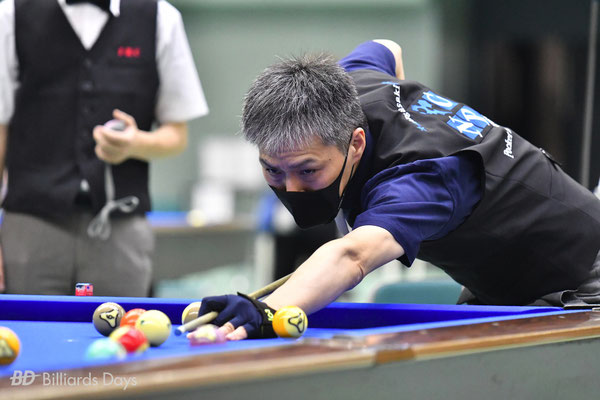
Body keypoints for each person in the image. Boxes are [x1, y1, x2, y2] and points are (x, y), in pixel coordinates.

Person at [197, 39, 600, 341]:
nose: (292, 187)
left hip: (579, 279)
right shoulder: (347, 85)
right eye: (272, 170)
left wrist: (266, 311)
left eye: (307, 170)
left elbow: (353, 256)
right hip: (499, 280)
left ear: (355, 144)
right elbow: (386, 46)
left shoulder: (420, 180)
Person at [0, 0, 208, 295]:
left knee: (123, 325)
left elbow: (177, 135)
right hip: (30, 225)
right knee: (25, 325)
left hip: (121, 228)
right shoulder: (11, 14)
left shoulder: (160, 17)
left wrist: (136, 144)